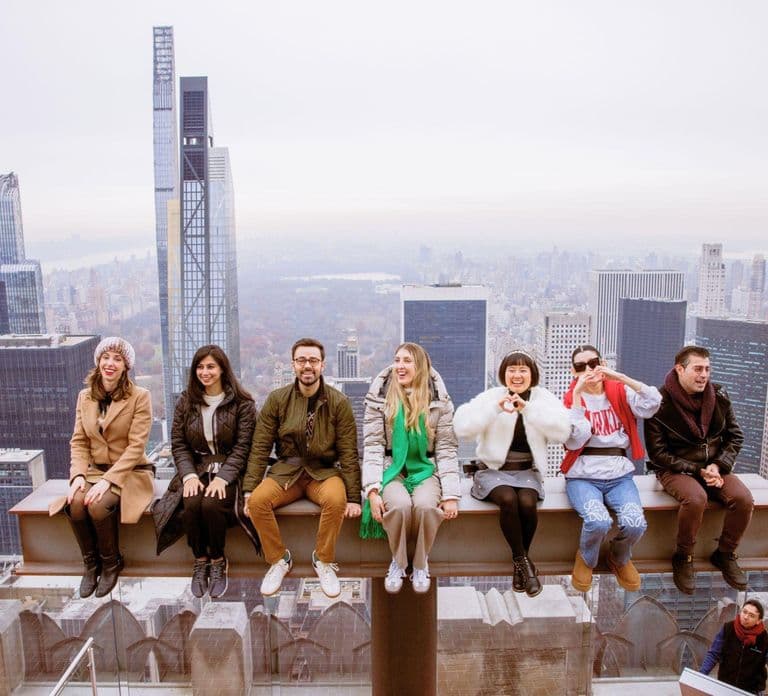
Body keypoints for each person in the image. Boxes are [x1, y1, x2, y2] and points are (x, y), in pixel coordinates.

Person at [244, 338, 361, 598]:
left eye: (313, 361)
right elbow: (260, 447)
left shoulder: (338, 402)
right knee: (257, 503)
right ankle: (278, 560)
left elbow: (349, 452)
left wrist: (354, 496)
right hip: (287, 471)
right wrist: (249, 488)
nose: (307, 366)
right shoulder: (277, 400)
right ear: (293, 364)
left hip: (324, 472)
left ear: (322, 365)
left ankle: (323, 560)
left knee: (335, 499)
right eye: (301, 360)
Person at [453, 350, 570, 597]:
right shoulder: (492, 397)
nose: (517, 375)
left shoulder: (542, 398)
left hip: (527, 469)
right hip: (493, 470)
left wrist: (528, 410)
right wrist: (494, 410)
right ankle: (525, 565)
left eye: (523, 370)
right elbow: (462, 427)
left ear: (532, 374)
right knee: (508, 499)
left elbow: (562, 431)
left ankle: (521, 566)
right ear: (503, 374)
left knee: (527, 502)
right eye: (511, 370)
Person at [50, 337, 153, 598]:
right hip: (93, 470)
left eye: (117, 359)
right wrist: (78, 477)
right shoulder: (84, 397)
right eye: (106, 357)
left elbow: (136, 446)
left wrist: (109, 480)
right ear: (98, 361)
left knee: (97, 505)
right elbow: (79, 441)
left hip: (129, 471)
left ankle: (111, 562)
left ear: (126, 366)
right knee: (75, 502)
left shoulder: (140, 397)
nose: (110, 363)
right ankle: (91, 564)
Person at [153, 345, 259, 599]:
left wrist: (223, 478)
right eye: (200, 367)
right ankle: (200, 560)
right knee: (190, 505)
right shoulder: (186, 401)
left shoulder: (242, 404)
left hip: (230, 469)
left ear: (223, 369)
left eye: (211, 366)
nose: (205, 372)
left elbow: (244, 447)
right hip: (197, 468)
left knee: (211, 505)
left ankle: (219, 560)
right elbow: (178, 444)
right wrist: (188, 475)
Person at [645, 345, 753, 594]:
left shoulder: (719, 396)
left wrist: (718, 465)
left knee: (743, 498)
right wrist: (697, 470)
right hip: (675, 468)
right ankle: (684, 557)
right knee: (696, 499)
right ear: (680, 369)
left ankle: (725, 553)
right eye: (697, 369)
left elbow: (735, 436)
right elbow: (659, 454)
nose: (704, 375)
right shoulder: (659, 404)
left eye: (707, 369)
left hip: (714, 467)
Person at [360, 343, 460, 594]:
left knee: (426, 506)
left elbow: (446, 449)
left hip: (426, 468)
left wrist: (450, 496)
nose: (400, 366)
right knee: (400, 506)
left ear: (421, 367)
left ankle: (420, 562)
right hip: (391, 467)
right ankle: (399, 561)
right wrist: (372, 490)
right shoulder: (379, 398)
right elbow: (373, 445)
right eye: (397, 360)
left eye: (407, 361)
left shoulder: (440, 402)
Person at [562, 344, 661, 593]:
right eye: (581, 367)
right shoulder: (568, 401)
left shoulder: (620, 392)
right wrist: (577, 397)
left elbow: (652, 402)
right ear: (573, 372)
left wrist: (618, 376)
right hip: (582, 476)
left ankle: (619, 558)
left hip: (619, 475)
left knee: (636, 523)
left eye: (593, 363)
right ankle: (587, 558)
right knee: (597, 521)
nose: (588, 370)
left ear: (602, 363)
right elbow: (575, 439)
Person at [701, 599, 768, 695]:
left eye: (751, 615)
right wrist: (700, 676)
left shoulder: (764, 637)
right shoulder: (728, 628)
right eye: (744, 612)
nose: (746, 617)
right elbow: (713, 654)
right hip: (725, 687)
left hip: (752, 690)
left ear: (759, 621)